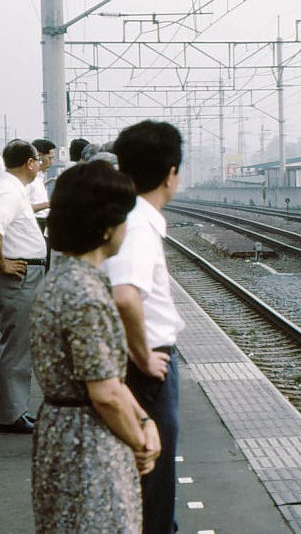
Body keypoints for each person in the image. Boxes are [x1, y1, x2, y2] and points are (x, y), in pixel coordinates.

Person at [30, 161, 160, 533]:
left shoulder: (60, 280)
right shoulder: (87, 294)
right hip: (89, 445)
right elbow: (104, 392)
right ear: (105, 228)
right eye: (124, 219)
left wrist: (145, 419)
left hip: (59, 434)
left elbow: (107, 380)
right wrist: (141, 441)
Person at [104, 120, 184, 534]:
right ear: (171, 174)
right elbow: (124, 295)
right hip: (148, 367)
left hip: (142, 361)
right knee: (153, 483)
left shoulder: (134, 219)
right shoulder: (138, 224)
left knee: (149, 479)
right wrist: (143, 356)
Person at [0, 140, 46, 434]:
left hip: (24, 275)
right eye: (37, 160)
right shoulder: (9, 190)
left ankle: (16, 409)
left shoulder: (8, 187)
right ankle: (11, 415)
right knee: (17, 345)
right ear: (30, 163)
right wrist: (4, 263)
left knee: (20, 343)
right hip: (18, 276)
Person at [29, 139, 55, 232]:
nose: (52, 162)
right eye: (50, 158)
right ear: (39, 157)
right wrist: (49, 205)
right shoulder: (29, 180)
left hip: (44, 223)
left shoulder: (39, 178)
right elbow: (23, 208)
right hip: (36, 223)